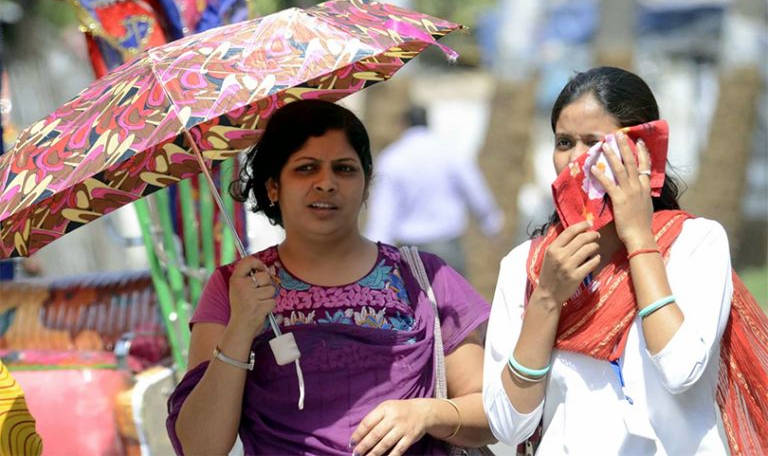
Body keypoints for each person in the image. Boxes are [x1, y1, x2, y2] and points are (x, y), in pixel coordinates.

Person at [166, 99, 495, 455]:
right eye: (306, 169)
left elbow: (491, 417)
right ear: (273, 186)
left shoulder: (425, 279)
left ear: (366, 184)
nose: (326, 183)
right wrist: (241, 328)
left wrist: (427, 414)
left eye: (344, 169)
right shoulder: (236, 288)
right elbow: (198, 446)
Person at [483, 66, 768, 454]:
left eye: (594, 143)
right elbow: (507, 425)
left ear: (641, 151)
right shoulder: (527, 267)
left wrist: (638, 238)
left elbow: (680, 368)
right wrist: (547, 298)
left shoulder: (694, 244)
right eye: (565, 143)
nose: (576, 161)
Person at [364, 105, 504, 277]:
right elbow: (474, 190)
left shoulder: (392, 158)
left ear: (403, 124)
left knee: (416, 303)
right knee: (456, 302)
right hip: (447, 246)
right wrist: (491, 223)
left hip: (410, 253)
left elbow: (383, 212)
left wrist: (375, 253)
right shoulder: (449, 152)